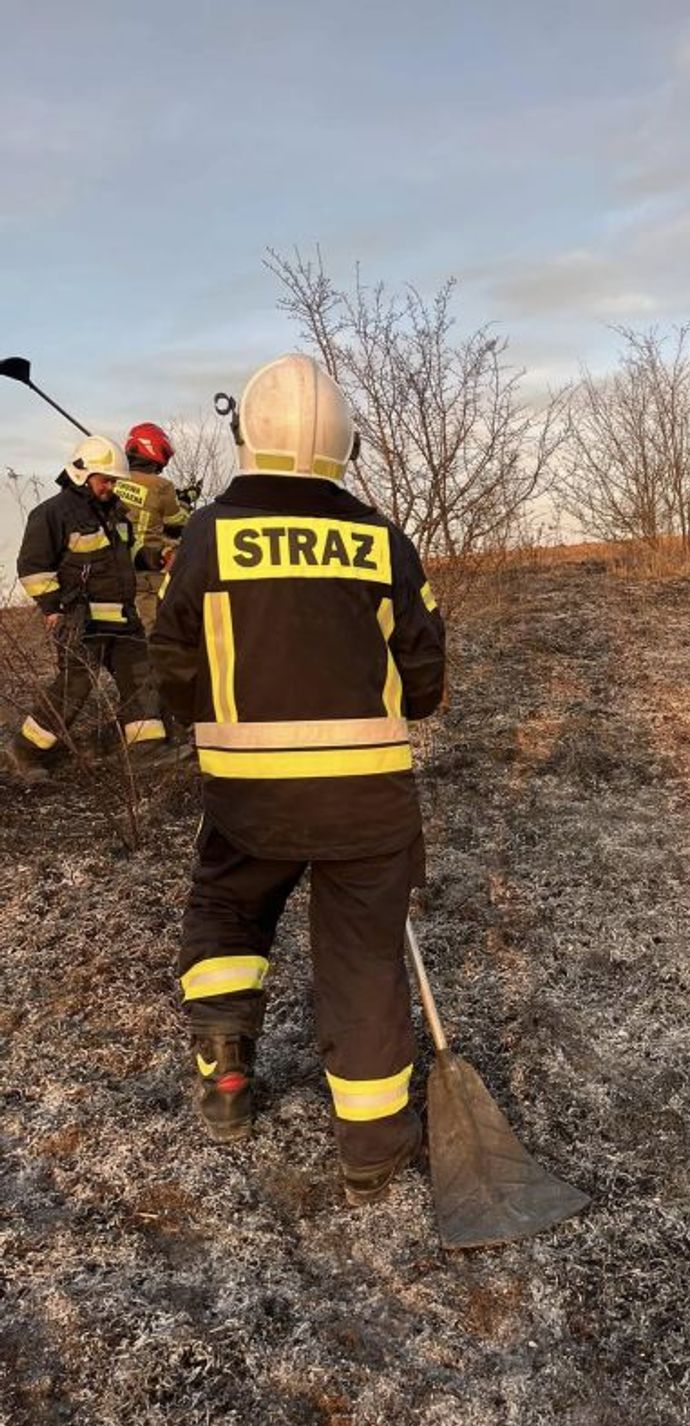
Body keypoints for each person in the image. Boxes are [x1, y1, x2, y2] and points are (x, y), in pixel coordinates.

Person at [150, 354, 446, 1205]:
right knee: (362, 960)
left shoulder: (206, 537)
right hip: (370, 805)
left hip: (250, 803)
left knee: (228, 910)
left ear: (247, 435)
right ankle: (373, 1143)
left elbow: (170, 658)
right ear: (343, 445)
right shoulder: (382, 540)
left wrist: (212, 720)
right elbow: (424, 681)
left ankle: (226, 1080)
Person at [8, 436, 168, 783]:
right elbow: (33, 567)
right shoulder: (52, 514)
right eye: (105, 480)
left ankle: (146, 749)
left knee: (141, 677)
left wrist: (156, 557)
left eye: (114, 481)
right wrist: (54, 609)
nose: (111, 487)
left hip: (123, 619)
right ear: (81, 473)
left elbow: (133, 551)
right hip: (82, 621)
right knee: (74, 687)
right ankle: (24, 752)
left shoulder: (117, 512)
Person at [116, 422, 189, 633]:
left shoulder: (113, 481)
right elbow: (178, 522)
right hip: (149, 568)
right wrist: (184, 501)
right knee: (157, 630)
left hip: (117, 565)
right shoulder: (161, 486)